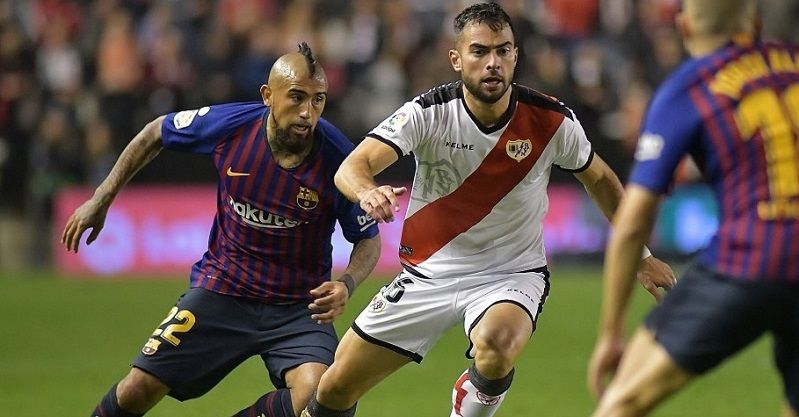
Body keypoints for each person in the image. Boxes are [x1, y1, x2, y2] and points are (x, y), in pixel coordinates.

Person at [299, 3, 675, 417]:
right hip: (428, 272)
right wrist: (367, 192)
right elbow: (352, 167)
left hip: (511, 274)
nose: (493, 62)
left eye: (503, 50)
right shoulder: (428, 113)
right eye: (480, 51)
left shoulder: (551, 121)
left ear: (516, 56)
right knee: (334, 389)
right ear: (456, 59)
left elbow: (601, 179)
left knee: (495, 348)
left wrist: (641, 256)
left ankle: (469, 405)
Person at [61, 43, 381, 417]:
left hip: (298, 308)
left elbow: (368, 241)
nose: (307, 113)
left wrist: (347, 284)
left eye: (318, 100)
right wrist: (102, 197)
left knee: (321, 395)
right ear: (267, 95)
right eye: (296, 97)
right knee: (137, 388)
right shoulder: (231, 126)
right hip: (223, 290)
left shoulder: (339, 160)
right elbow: (154, 133)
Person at [586, 1, 799, 416]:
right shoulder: (793, 62)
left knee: (622, 402)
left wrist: (611, 332)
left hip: (753, 257)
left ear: (683, 27)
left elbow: (633, 222)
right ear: (753, 24)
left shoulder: (689, 87)